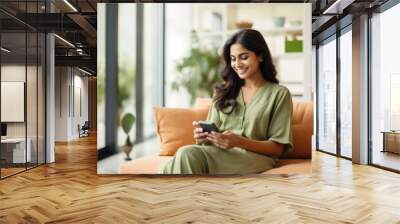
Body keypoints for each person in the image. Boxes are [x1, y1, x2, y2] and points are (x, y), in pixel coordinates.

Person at [160, 29, 293, 175]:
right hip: (217, 154)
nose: (237, 64)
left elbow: (278, 148)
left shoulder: (279, 94)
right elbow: (211, 138)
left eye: (243, 57)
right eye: (233, 58)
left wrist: (239, 141)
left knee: (186, 155)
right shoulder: (223, 92)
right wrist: (203, 136)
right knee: (181, 157)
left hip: (255, 157)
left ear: (260, 56)